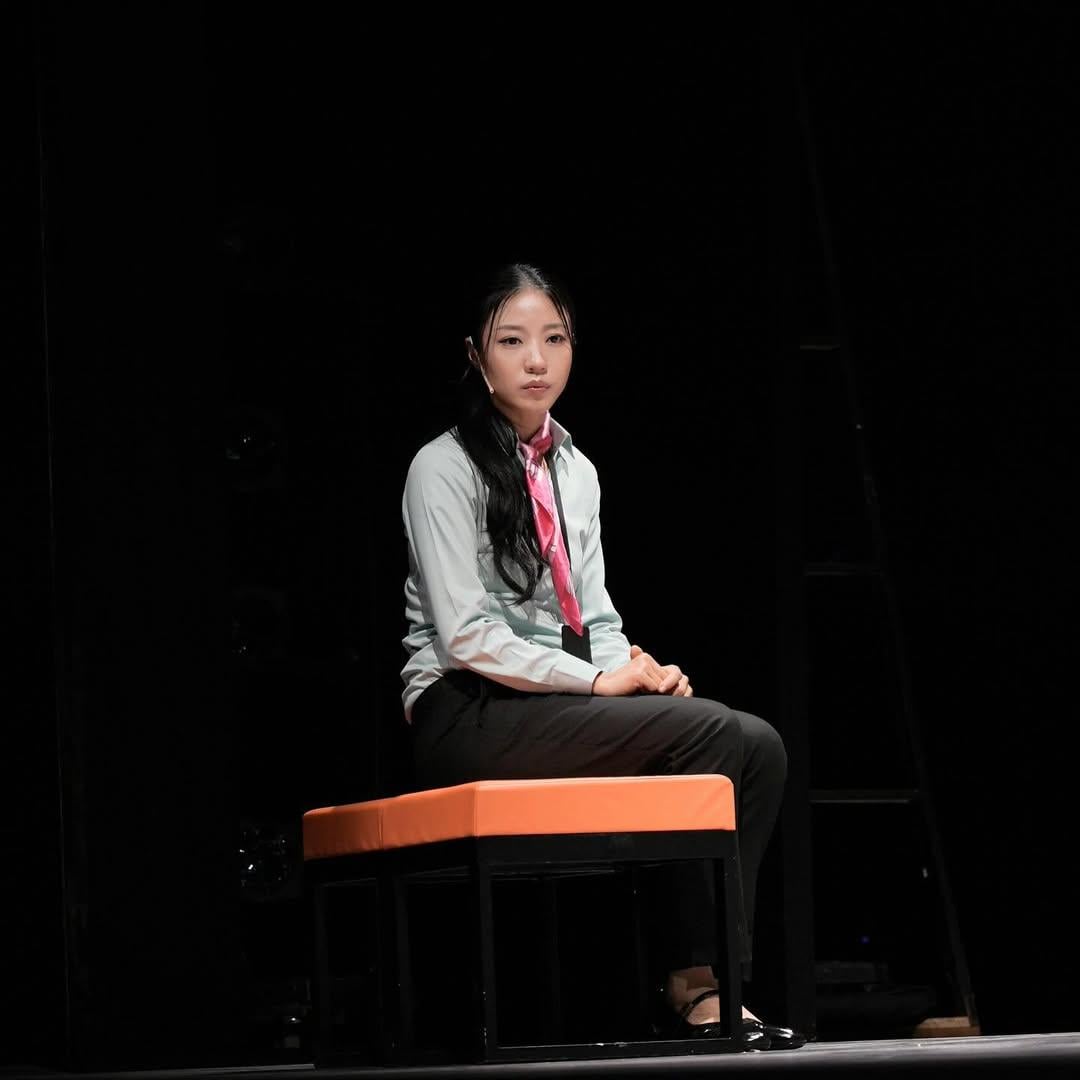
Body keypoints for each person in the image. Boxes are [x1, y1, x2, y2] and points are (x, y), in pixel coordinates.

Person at [399, 261, 804, 1051]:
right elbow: (465, 635)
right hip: (465, 711)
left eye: (554, 339)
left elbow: (592, 616)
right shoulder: (441, 467)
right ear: (476, 356)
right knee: (712, 733)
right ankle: (698, 989)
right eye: (512, 342)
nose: (537, 360)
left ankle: (711, 981)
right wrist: (598, 681)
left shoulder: (574, 470)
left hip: (552, 706)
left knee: (755, 745)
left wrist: (636, 676)